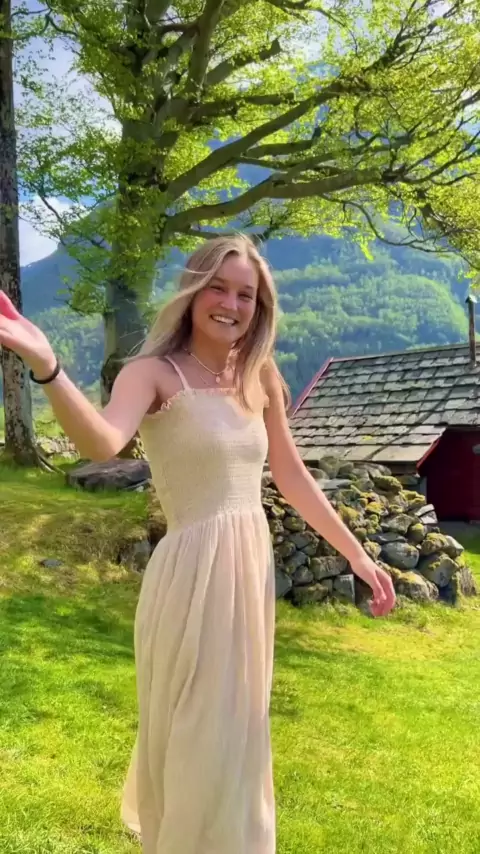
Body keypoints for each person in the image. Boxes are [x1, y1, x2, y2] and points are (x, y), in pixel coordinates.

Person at [0, 234, 395, 853]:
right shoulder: (152, 373)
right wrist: (47, 365)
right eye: (218, 287)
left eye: (246, 294)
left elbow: (291, 476)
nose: (231, 304)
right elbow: (101, 442)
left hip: (247, 574)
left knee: (237, 738)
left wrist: (357, 554)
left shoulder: (260, 376)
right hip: (189, 576)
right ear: (192, 289)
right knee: (193, 737)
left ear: (259, 306)